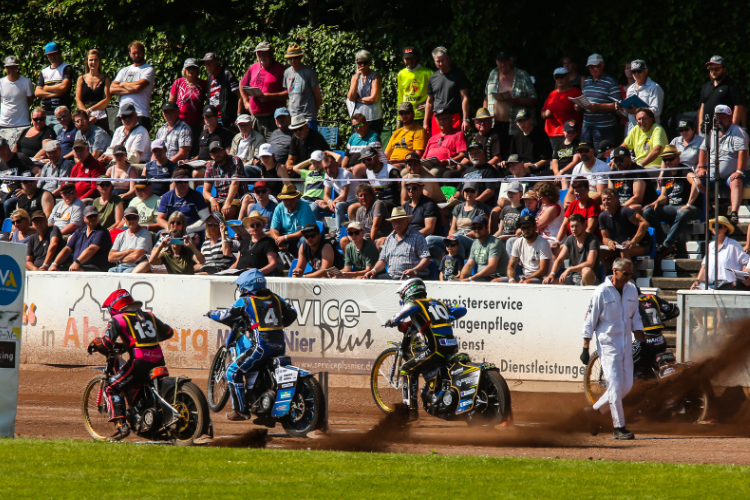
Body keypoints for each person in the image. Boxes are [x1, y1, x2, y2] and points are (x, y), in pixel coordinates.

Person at [86, 289, 174, 438]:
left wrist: (95, 343)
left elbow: (106, 346)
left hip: (139, 362)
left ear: (114, 307)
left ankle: (121, 425)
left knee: (111, 387)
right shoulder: (148, 315)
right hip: (159, 359)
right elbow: (168, 332)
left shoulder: (118, 319)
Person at [212, 269, 297, 421]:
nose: (239, 289)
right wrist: (281, 324)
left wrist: (210, 313)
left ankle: (241, 411)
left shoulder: (245, 301)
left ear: (246, 286)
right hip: (279, 346)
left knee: (232, 372)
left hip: (261, 348)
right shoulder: (275, 298)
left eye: (240, 286)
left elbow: (224, 315)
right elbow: (292, 313)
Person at [385, 278, 467, 420]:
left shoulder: (415, 303)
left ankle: (410, 412)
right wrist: (447, 316)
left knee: (407, 369)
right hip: (451, 345)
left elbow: (405, 311)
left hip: (436, 347)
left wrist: (392, 320)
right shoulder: (437, 304)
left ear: (408, 292)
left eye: (402, 295)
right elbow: (462, 310)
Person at [581, 257, 645, 440]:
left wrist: (642, 341)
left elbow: (636, 318)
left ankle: (594, 410)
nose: (628, 277)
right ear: (615, 272)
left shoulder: (632, 290)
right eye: (625, 273)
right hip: (608, 343)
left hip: (626, 343)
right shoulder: (601, 292)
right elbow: (590, 320)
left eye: (631, 274)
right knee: (615, 385)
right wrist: (585, 346)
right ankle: (619, 427)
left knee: (626, 386)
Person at [642, 145, 702, 259]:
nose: (668, 162)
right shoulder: (666, 173)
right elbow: (664, 196)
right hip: (672, 207)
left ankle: (666, 245)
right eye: (665, 159)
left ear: (678, 158)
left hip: (692, 208)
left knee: (683, 213)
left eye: (671, 159)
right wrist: (656, 202)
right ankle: (663, 241)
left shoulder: (683, 170)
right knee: (648, 211)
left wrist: (689, 204)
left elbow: (697, 183)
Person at [697, 104, 748, 224]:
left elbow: (743, 153)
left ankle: (734, 213)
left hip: (732, 173)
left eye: (723, 117)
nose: (719, 120)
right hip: (713, 173)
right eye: (718, 117)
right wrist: (702, 167)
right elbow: (703, 149)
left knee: (736, 181)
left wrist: (739, 171)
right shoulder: (712, 132)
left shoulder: (738, 132)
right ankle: (708, 209)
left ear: (730, 117)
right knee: (695, 180)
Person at [483, 49, 537, 155]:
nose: (502, 64)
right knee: (498, 155)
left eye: (505, 61)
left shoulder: (522, 75)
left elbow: (534, 99)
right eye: (500, 62)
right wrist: (484, 117)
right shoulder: (493, 73)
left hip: (516, 125)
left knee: (515, 154)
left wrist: (516, 101)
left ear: (511, 61)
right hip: (496, 124)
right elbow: (486, 97)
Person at [363, 207, 431, 280]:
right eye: (394, 221)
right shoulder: (389, 238)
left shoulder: (417, 237)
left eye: (400, 221)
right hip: (392, 277)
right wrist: (373, 270)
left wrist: (414, 270)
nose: (397, 224)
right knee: (370, 279)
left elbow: (426, 258)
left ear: (407, 221)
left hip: (412, 277)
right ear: (391, 223)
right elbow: (383, 260)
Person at [239, 42, 286, 140]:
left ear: (271, 53)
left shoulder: (280, 69)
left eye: (264, 53)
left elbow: (289, 93)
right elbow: (242, 84)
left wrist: (270, 97)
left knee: (272, 148)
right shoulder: (253, 68)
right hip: (255, 119)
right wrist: (246, 102)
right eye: (259, 53)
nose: (261, 56)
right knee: (255, 149)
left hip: (273, 120)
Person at [691, 217, 750, 290]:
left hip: (729, 286)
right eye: (714, 226)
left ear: (726, 229)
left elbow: (747, 262)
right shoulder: (711, 245)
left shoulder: (734, 245)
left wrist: (740, 279)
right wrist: (697, 281)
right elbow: (705, 266)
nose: (716, 229)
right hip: (711, 285)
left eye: (719, 226)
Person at [577, 54, 622, 151]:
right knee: (585, 153)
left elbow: (619, 105)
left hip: (604, 128)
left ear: (602, 66)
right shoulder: (587, 81)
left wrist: (599, 107)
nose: (593, 69)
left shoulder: (611, 82)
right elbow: (584, 98)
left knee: (602, 156)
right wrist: (578, 105)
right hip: (587, 126)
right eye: (590, 67)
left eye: (596, 66)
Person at [423, 47, 471, 137]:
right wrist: (425, 122)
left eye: (443, 60)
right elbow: (429, 101)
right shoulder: (433, 78)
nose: (441, 63)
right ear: (434, 61)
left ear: (448, 59)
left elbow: (464, 97)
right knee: (438, 145)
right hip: (437, 119)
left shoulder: (458, 75)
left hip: (454, 118)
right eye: (438, 61)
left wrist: (465, 119)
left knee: (454, 144)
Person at [50, 205, 112, 272]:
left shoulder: (102, 232)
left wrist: (77, 262)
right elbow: (67, 249)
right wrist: (55, 264)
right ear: (84, 218)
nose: (93, 218)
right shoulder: (79, 231)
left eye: (95, 216)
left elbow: (91, 249)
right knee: (56, 269)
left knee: (75, 270)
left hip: (97, 267)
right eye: (90, 216)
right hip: (80, 266)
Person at [110, 41, 155, 131]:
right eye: (134, 53)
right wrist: (132, 87)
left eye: (139, 52)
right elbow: (112, 88)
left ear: (143, 52)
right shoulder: (124, 70)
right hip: (121, 115)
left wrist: (123, 84)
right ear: (130, 54)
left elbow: (139, 87)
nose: (137, 55)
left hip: (140, 114)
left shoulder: (148, 69)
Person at [599, 189, 651, 266]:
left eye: (609, 199)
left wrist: (633, 241)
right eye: (603, 200)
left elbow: (644, 223)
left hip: (641, 244)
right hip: (621, 246)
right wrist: (610, 242)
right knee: (599, 252)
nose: (606, 202)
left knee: (623, 251)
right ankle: (602, 277)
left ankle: (628, 276)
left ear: (616, 199)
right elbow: (605, 237)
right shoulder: (602, 216)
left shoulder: (625, 211)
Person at [632, 290, 679, 376]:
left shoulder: (630, 302)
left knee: (624, 362)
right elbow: (675, 311)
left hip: (646, 343)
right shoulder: (652, 297)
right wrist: (660, 320)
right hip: (661, 341)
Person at [544, 213, 599, 286]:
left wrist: (569, 269)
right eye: (572, 227)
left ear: (584, 226)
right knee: (548, 282)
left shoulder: (592, 240)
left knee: (586, 271)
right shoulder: (570, 239)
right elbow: (559, 259)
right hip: (573, 278)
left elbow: (590, 263)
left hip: (589, 278)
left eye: (577, 226)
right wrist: (552, 274)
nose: (574, 229)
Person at [495, 214, 552, 283]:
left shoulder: (543, 243)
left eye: (529, 228)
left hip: (540, 278)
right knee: (496, 281)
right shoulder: (518, 242)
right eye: (523, 228)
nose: (526, 230)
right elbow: (511, 266)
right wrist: (511, 280)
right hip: (524, 276)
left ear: (535, 227)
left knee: (526, 283)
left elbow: (543, 271)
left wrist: (525, 278)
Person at [698, 55, 745, 133]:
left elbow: (738, 107)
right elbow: (702, 107)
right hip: (705, 131)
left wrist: (732, 129)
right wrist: (700, 127)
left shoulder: (731, 86)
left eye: (716, 69)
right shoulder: (706, 86)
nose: (713, 71)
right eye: (710, 69)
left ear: (724, 69)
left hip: (723, 130)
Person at [35, 42, 74, 132]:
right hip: (46, 113)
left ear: (59, 53)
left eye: (54, 54)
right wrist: (56, 93)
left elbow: (64, 87)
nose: (52, 57)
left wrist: (46, 88)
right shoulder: (44, 71)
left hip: (62, 114)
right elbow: (37, 92)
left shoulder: (66, 67)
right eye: (49, 55)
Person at [340, 183, 390, 251]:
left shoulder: (378, 204)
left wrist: (370, 245)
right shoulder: (359, 210)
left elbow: (375, 226)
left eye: (365, 195)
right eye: (361, 196)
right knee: (344, 240)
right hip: (363, 238)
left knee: (379, 242)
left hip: (377, 238)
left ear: (372, 195)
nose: (363, 197)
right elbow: (357, 228)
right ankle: (351, 260)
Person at [402, 176, 444, 259]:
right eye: (408, 188)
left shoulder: (429, 204)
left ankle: (445, 260)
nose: (411, 191)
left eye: (414, 188)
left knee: (428, 241)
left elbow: (429, 229)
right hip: (410, 238)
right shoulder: (405, 206)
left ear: (421, 188)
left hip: (428, 238)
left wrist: (411, 238)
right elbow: (400, 225)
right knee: (381, 241)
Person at [157, 168, 209, 233]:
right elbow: (160, 219)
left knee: (193, 240)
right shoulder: (166, 197)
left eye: (186, 181)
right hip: (171, 231)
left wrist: (187, 229)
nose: (183, 184)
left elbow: (206, 218)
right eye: (180, 181)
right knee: (162, 240)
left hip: (191, 232)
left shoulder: (196, 196)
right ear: (174, 182)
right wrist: (171, 229)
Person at [203, 141, 246, 219]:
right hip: (220, 199)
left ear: (224, 151)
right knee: (201, 204)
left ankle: (225, 229)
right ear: (211, 155)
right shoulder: (210, 167)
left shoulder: (235, 161)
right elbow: (205, 191)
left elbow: (235, 183)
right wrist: (212, 200)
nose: (217, 154)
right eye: (214, 153)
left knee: (227, 211)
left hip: (237, 199)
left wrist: (228, 202)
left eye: (219, 151)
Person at [541, 67, 582, 150]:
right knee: (554, 159)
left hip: (569, 133)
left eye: (562, 77)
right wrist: (545, 113)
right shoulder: (552, 94)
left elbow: (583, 111)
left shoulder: (576, 92)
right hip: (551, 134)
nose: (559, 79)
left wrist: (579, 108)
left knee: (568, 159)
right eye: (557, 77)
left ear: (568, 78)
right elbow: (542, 114)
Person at [619, 60, 664, 134]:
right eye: (634, 72)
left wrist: (637, 112)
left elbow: (656, 111)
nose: (636, 74)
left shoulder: (654, 87)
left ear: (646, 71)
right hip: (632, 131)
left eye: (639, 71)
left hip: (650, 131)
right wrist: (621, 108)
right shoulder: (630, 89)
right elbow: (627, 114)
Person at [283, 44, 322, 129]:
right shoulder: (287, 73)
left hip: (307, 117)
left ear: (301, 57)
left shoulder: (309, 72)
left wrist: (314, 111)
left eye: (295, 57)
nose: (293, 60)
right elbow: (288, 94)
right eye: (290, 58)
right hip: (293, 116)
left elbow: (317, 95)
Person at [608, 146, 658, 211]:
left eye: (621, 160)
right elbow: (610, 194)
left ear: (629, 159)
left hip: (643, 204)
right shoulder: (613, 173)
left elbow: (638, 198)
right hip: (621, 205)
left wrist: (619, 208)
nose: (618, 163)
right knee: (602, 209)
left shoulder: (637, 171)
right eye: (615, 161)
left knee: (629, 209)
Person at [459, 216, 508, 281]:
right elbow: (469, 265)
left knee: (472, 282)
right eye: (474, 228)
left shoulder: (494, 243)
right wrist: (461, 279)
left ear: (487, 227)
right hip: (481, 277)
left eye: (480, 227)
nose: (476, 230)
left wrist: (471, 278)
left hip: (496, 277)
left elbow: (491, 267)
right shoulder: (475, 244)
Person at [449, 182, 493, 256]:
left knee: (458, 239)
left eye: (472, 191)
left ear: (476, 193)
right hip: (456, 237)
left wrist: (463, 236)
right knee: (430, 239)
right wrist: (451, 237)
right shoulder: (458, 207)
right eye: (467, 191)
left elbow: (482, 230)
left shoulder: (481, 207)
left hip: (473, 239)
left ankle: (459, 264)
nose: (469, 193)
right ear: (463, 192)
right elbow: (453, 228)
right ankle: (446, 261)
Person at [168, 58, 206, 142]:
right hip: (180, 123)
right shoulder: (178, 83)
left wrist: (206, 118)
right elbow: (171, 103)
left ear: (197, 70)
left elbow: (209, 101)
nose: (191, 70)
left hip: (197, 123)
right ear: (185, 70)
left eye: (194, 68)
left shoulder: (203, 84)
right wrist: (171, 119)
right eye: (189, 68)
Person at [269, 184, 316, 253]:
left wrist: (284, 238)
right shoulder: (279, 207)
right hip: (287, 237)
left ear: (297, 197)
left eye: (291, 199)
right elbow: (273, 229)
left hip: (304, 236)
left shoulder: (304, 207)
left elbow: (306, 231)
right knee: (267, 241)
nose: (288, 202)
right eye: (285, 200)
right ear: (282, 199)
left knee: (304, 240)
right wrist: (278, 239)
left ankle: (306, 262)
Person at [421, 109, 467, 176]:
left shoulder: (458, 134)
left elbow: (463, 155)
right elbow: (423, 157)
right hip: (428, 166)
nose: (442, 121)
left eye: (444, 119)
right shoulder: (432, 138)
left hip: (447, 167)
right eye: (439, 119)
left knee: (434, 172)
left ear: (451, 120)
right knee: (407, 173)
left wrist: (448, 161)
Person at [347, 50, 383, 136]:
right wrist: (356, 79)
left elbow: (373, 98)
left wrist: (358, 99)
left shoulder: (375, 77)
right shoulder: (354, 78)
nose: (362, 65)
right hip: (358, 119)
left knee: (372, 145)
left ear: (370, 62)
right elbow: (351, 97)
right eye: (359, 63)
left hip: (373, 118)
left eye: (365, 62)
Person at [75, 49, 111, 134]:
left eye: (96, 60)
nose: (93, 62)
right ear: (87, 61)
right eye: (91, 60)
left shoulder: (106, 79)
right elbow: (78, 99)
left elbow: (106, 100)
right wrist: (85, 115)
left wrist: (90, 110)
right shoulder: (81, 79)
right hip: (84, 117)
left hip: (100, 116)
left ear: (99, 62)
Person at [137, 229, 204, 274]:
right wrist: (160, 247)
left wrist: (192, 247)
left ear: (182, 240)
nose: (175, 243)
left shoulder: (188, 252)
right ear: (169, 241)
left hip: (187, 283)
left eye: (178, 240)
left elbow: (201, 261)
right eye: (173, 240)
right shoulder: (166, 255)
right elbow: (152, 261)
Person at [233, 210, 280, 275]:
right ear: (249, 227)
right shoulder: (245, 241)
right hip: (239, 274)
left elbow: (274, 264)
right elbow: (237, 263)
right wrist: (227, 272)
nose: (255, 227)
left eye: (258, 225)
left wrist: (257, 272)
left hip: (256, 277)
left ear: (263, 225)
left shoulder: (268, 242)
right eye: (252, 225)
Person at [201, 52, 241, 127]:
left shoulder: (227, 75)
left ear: (217, 62)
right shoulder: (209, 77)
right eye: (206, 64)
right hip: (212, 119)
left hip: (225, 119)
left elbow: (239, 95)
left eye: (210, 63)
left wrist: (238, 116)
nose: (208, 66)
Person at [108, 207, 153, 273]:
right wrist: (128, 251)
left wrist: (119, 258)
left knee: (126, 274)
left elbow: (136, 257)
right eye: (129, 218)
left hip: (136, 267)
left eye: (134, 218)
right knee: (110, 272)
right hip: (120, 266)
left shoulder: (145, 235)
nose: (131, 221)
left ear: (138, 218)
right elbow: (111, 257)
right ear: (124, 219)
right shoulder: (120, 235)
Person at [508, 109, 553, 174]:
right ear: (516, 123)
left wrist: (535, 165)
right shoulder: (516, 136)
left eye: (524, 120)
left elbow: (547, 158)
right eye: (519, 121)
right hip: (518, 166)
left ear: (530, 120)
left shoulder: (540, 134)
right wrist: (505, 163)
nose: (522, 124)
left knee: (520, 170)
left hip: (535, 167)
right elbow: (512, 156)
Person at [556, 178, 601, 243]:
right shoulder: (572, 204)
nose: (579, 193)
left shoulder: (593, 204)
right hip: (574, 241)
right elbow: (564, 225)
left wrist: (578, 243)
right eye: (576, 191)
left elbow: (590, 228)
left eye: (582, 191)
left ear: (588, 189)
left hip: (589, 242)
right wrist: (557, 241)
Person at [321, 153, 358, 231]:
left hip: (355, 202)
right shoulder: (327, 175)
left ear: (337, 164)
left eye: (330, 167)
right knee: (315, 206)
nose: (328, 171)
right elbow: (325, 195)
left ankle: (339, 235)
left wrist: (330, 204)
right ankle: (319, 233)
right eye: (325, 168)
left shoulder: (344, 174)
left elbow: (343, 197)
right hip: (342, 203)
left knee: (339, 206)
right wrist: (329, 202)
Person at [397, 47, 432, 123]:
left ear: (417, 57)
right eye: (407, 59)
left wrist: (430, 105)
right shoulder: (401, 74)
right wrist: (398, 119)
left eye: (412, 58)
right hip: (405, 116)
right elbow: (400, 96)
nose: (409, 61)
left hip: (423, 116)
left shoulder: (428, 73)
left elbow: (436, 94)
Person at [0, 55, 34, 129]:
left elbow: (30, 101)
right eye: (8, 67)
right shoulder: (1, 83)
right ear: (5, 68)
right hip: (4, 124)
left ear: (17, 67)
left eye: (13, 67)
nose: (11, 69)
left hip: (22, 123)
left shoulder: (26, 82)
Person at [493, 181, 524, 253]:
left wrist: (507, 237)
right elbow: (500, 230)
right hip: (502, 238)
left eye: (513, 192)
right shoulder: (505, 209)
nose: (510, 194)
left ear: (521, 193)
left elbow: (522, 233)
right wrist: (491, 238)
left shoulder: (524, 210)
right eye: (509, 192)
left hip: (515, 240)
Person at [551, 120, 581, 188]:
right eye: (568, 132)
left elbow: (575, 161)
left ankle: (565, 197)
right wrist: (556, 172)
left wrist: (561, 172)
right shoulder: (558, 145)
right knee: (543, 177)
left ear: (576, 133)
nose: (570, 134)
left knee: (565, 178)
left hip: (571, 170)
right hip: (559, 171)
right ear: (563, 131)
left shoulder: (577, 144)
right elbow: (554, 161)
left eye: (572, 132)